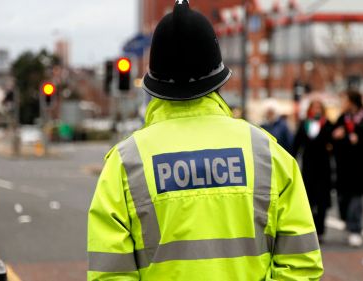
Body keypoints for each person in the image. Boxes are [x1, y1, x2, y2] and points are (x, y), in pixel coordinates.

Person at [87, 1, 323, 280]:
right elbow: (301, 264)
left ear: (155, 81)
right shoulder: (267, 154)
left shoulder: (126, 163)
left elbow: (110, 275)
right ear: (219, 79)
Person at [332, 90, 363, 247]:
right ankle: (347, 222)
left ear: (352, 102)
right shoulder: (342, 118)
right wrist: (337, 136)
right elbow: (332, 140)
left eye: (345, 100)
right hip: (343, 166)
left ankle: (355, 229)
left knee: (356, 198)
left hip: (360, 166)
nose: (343, 103)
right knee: (342, 198)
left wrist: (360, 140)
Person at [292, 99, 334, 242]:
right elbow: (296, 145)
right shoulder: (304, 124)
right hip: (308, 167)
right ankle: (311, 230)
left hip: (324, 167)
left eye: (319, 107)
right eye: (314, 107)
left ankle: (321, 230)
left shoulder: (328, 124)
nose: (316, 110)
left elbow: (333, 143)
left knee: (322, 201)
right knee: (308, 200)